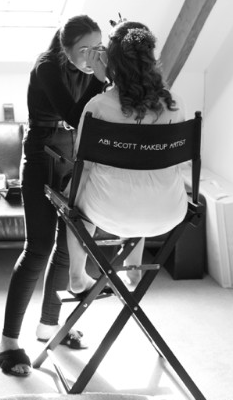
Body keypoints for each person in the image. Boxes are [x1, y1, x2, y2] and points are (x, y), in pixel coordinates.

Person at [0, 14, 107, 377]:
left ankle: (49, 325)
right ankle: (8, 342)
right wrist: (101, 79)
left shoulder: (91, 70)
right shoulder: (47, 66)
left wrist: (105, 78)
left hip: (75, 155)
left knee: (67, 246)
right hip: (42, 154)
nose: (92, 56)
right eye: (84, 49)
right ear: (65, 47)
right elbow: (77, 114)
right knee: (39, 247)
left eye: (98, 47)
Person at [66, 20, 189, 295]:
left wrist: (68, 195)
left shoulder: (98, 106)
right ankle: (133, 269)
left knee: (73, 198)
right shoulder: (176, 104)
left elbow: (83, 164)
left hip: (108, 213)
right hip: (168, 211)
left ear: (112, 61)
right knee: (144, 179)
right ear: (151, 60)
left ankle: (77, 274)